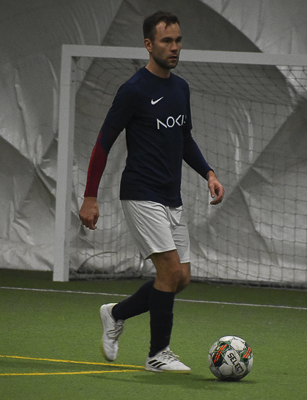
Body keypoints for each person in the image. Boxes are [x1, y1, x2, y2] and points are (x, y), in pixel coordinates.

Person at [78, 11, 224, 373]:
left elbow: (184, 138)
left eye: (178, 40)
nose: (174, 48)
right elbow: (103, 143)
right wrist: (90, 197)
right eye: (166, 41)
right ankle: (158, 354)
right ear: (148, 44)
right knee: (169, 272)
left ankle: (116, 313)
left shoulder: (181, 88)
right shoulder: (133, 90)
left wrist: (208, 172)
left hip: (171, 196)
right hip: (140, 193)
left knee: (180, 279)